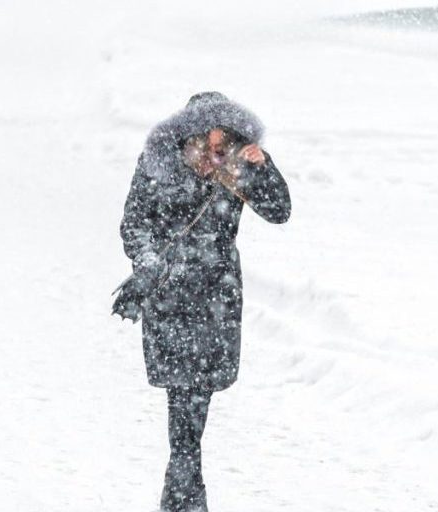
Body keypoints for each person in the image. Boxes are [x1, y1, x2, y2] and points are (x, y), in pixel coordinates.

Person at [119, 92, 292, 512]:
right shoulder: (158, 164)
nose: (215, 155)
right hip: (168, 293)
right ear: (189, 133)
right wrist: (148, 264)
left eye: (224, 146)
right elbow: (133, 223)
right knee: (183, 396)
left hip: (216, 295)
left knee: (197, 395)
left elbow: (280, 210)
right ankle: (184, 489)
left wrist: (263, 169)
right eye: (209, 145)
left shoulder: (235, 169)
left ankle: (182, 487)